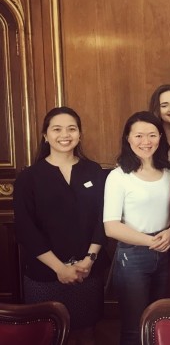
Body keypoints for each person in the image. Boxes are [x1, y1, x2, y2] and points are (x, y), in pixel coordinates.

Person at [13, 107, 106, 345]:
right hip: (44, 274)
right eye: (57, 129)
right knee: (47, 336)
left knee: (86, 334)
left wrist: (89, 260)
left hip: (87, 272)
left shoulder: (94, 171)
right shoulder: (29, 177)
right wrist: (59, 268)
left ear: (80, 134)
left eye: (71, 129)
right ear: (45, 135)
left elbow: (102, 219)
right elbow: (25, 229)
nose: (65, 135)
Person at [104, 111, 170, 345]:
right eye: (139, 136)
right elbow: (111, 227)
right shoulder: (119, 176)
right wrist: (149, 241)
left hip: (166, 252)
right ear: (128, 138)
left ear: (160, 137)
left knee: (160, 325)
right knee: (134, 328)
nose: (146, 142)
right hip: (133, 256)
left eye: (152, 135)